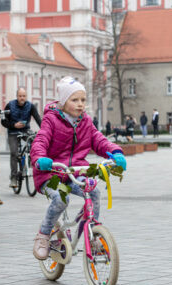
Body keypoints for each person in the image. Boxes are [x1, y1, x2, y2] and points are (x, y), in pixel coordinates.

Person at [30, 77, 126, 260]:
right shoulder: (51, 120)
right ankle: (43, 235)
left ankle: (93, 235)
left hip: (75, 171)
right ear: (64, 102)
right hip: (51, 172)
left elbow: (98, 139)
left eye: (83, 100)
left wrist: (115, 151)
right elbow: (40, 141)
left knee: (94, 192)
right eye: (75, 100)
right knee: (59, 199)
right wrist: (40, 158)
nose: (80, 104)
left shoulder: (85, 122)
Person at [1, 88, 41, 188]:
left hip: (25, 130)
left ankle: (30, 161)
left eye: (24, 96)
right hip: (12, 131)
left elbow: (38, 119)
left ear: (26, 96)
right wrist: (14, 125)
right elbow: (3, 121)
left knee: (35, 142)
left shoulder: (30, 106)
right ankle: (14, 178)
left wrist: (44, 130)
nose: (22, 98)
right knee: (14, 153)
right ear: (17, 96)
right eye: (20, 96)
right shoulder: (10, 105)